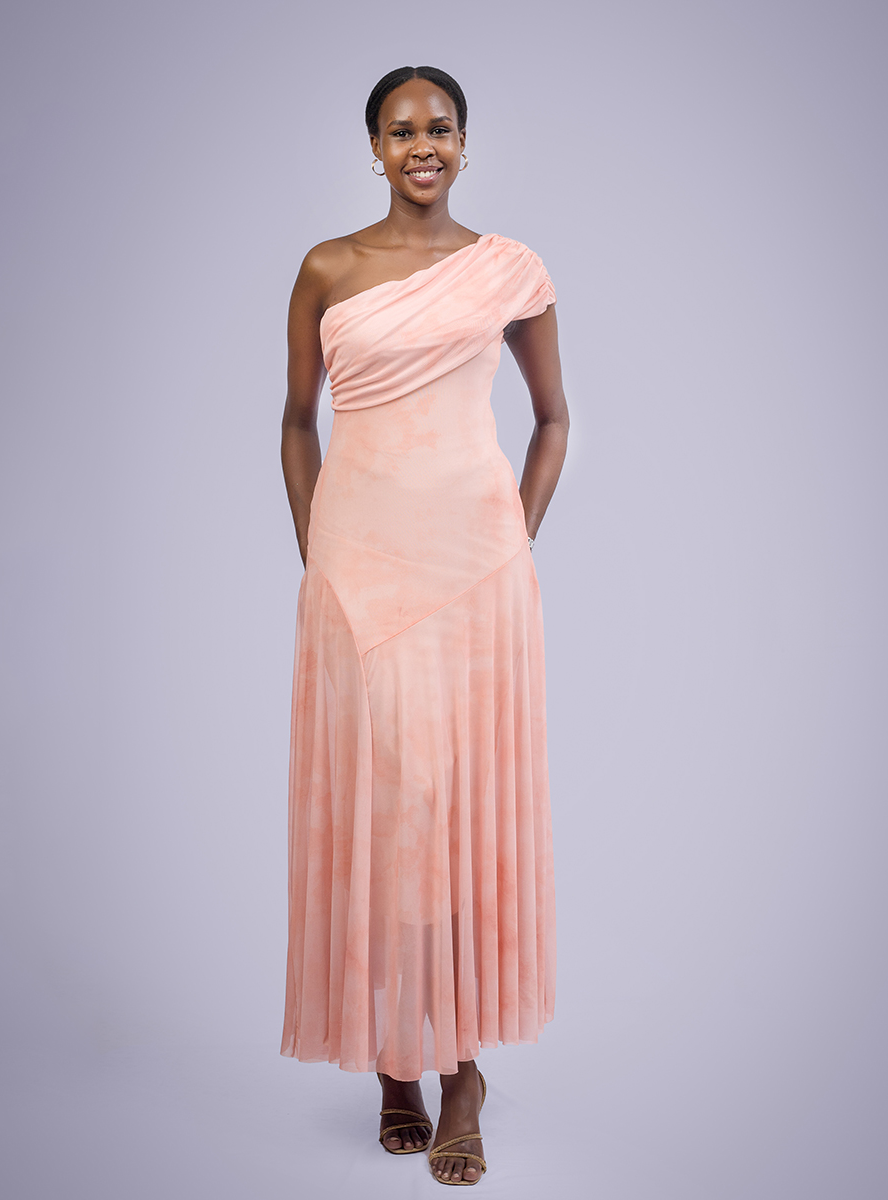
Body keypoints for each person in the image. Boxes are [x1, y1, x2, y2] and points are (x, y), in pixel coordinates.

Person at [279, 64, 569, 1186]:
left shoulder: (510, 270)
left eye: (439, 127)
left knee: (456, 817)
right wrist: (319, 552)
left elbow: (553, 419)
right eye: (401, 131)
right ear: (372, 147)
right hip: (358, 578)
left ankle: (461, 1074)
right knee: (384, 811)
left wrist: (514, 539)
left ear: (464, 141)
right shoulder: (328, 267)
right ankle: (393, 1059)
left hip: (474, 578)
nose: (422, 146)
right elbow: (295, 420)